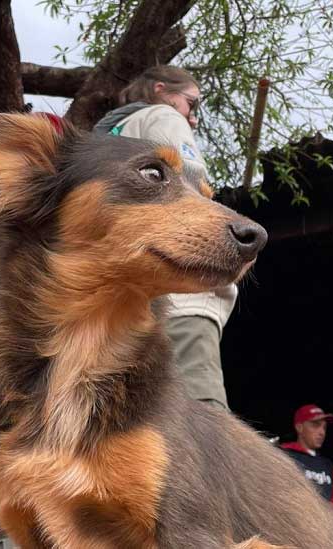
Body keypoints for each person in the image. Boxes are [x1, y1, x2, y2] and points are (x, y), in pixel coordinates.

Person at [93, 65, 237, 409]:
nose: (193, 119)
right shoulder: (163, 116)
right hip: (178, 296)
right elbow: (187, 183)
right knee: (201, 422)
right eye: (193, 104)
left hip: (120, 305)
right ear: (161, 90)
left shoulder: (109, 135)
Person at [281, 404, 333, 527]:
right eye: (315, 425)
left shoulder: (327, 466)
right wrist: (323, 507)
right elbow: (278, 496)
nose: (322, 432)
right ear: (299, 427)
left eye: (324, 427)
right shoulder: (283, 455)